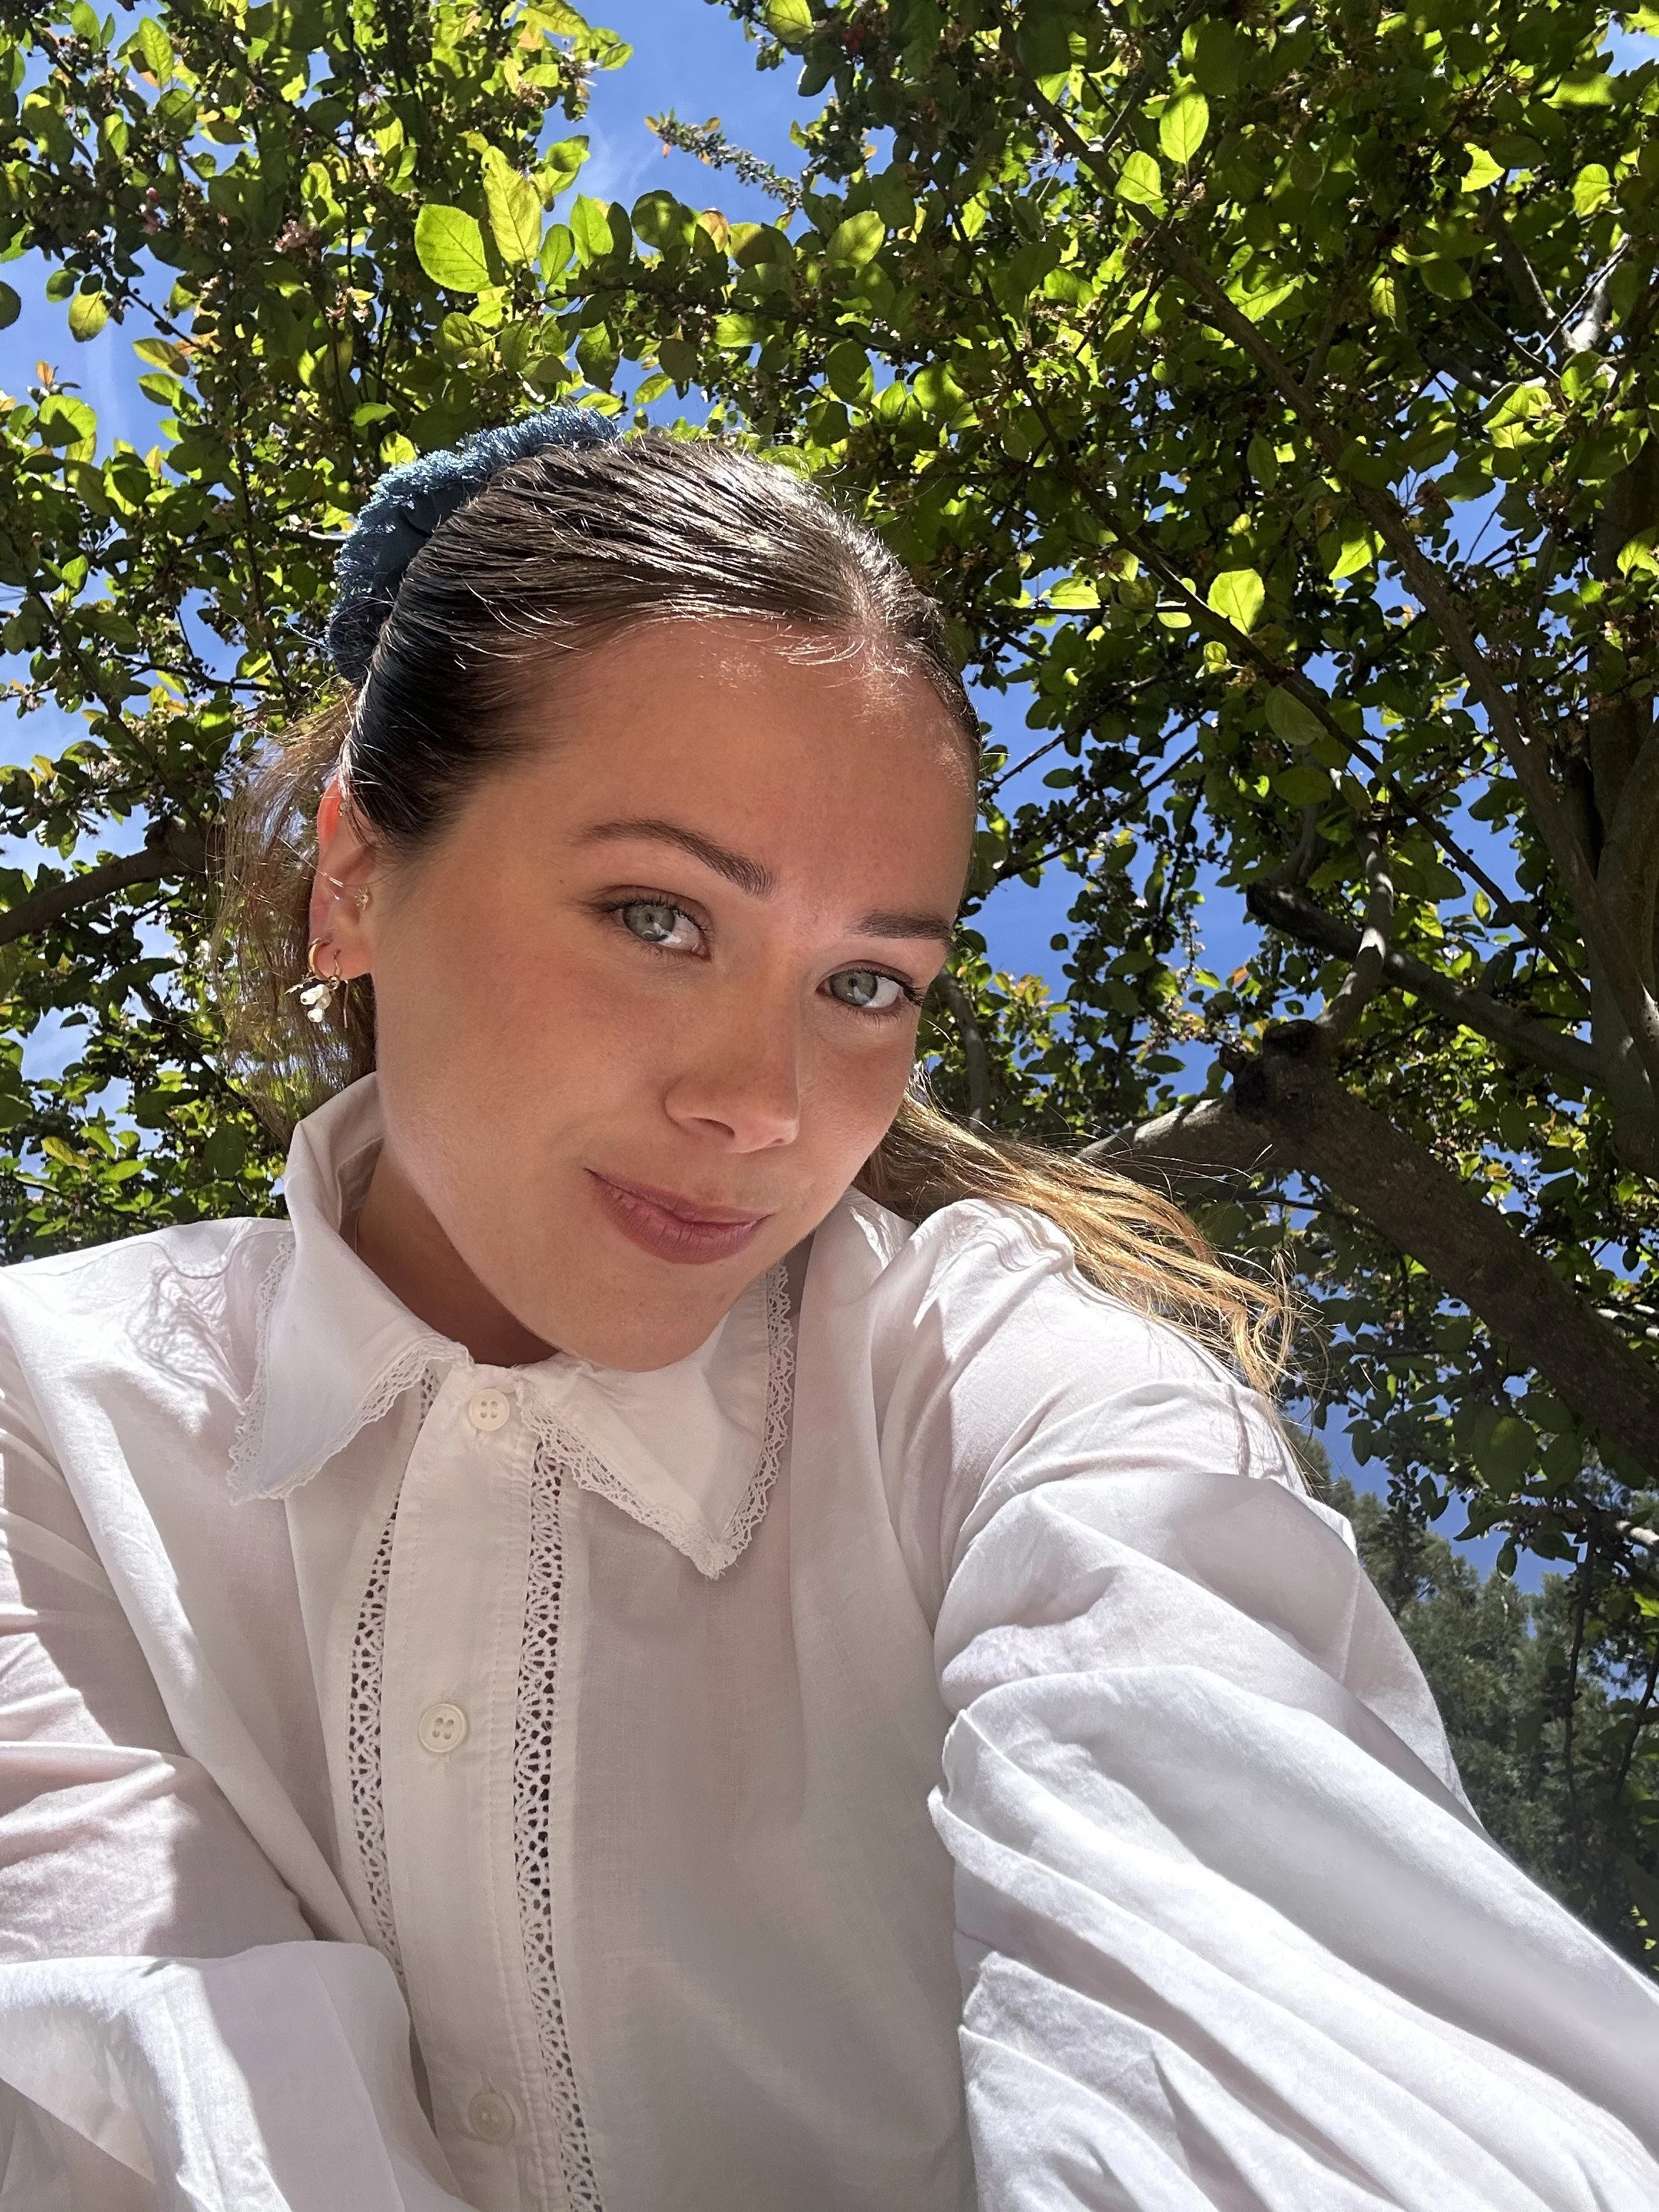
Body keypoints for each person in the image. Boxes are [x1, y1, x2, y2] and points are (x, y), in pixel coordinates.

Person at [0, 413, 1653, 2212]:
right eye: (658, 912)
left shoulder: (1014, 1390)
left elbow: (1272, 1942)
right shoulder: (57, 1417)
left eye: (869, 981)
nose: (766, 1103)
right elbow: (139, 2093)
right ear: (352, 880)